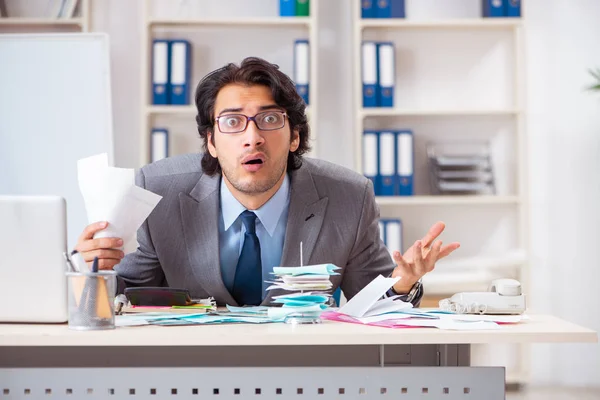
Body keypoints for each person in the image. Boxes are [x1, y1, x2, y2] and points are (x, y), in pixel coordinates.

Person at [75, 57, 460, 307]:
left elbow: (374, 304)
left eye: (270, 119)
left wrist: (404, 282)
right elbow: (121, 295)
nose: (252, 137)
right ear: (210, 141)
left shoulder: (348, 196)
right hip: (191, 375)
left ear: (294, 137)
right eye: (232, 121)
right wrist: (90, 267)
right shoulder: (159, 190)